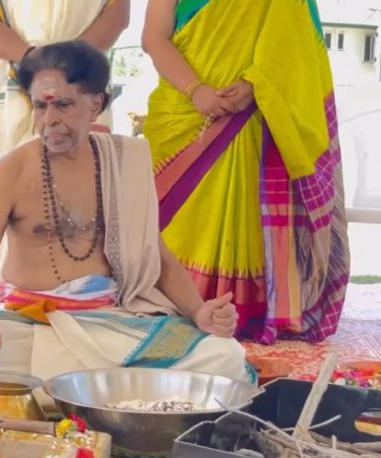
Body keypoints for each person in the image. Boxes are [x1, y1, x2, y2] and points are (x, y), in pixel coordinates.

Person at [0, 41, 249, 405]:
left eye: (63, 105)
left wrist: (199, 311)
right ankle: (111, 394)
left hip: (111, 324)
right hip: (29, 326)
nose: (49, 120)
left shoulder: (122, 160)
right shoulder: (13, 170)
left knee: (224, 356)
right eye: (40, 106)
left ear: (97, 104)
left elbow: (155, 252)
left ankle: (58, 394)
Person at [142, 0, 349, 343]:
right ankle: (179, 303)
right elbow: (154, 38)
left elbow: (292, 45)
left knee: (247, 217)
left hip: (255, 116)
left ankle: (244, 311)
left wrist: (256, 85)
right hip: (184, 114)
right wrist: (197, 90)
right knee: (177, 223)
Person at [0, 0, 128, 173]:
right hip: (17, 81)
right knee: (14, 187)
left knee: (85, 183)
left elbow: (118, 17)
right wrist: (34, 60)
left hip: (82, 75)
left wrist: (69, 59)